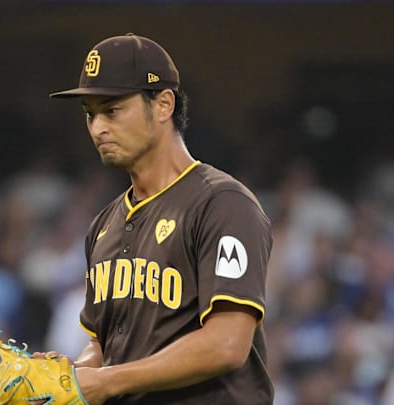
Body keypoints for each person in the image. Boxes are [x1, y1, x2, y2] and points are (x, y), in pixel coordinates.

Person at [48, 33, 274, 404]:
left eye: (112, 110)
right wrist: (69, 376)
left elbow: (228, 344)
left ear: (164, 104)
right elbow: (106, 347)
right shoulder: (104, 224)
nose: (98, 128)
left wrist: (106, 382)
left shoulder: (221, 203)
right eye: (90, 114)